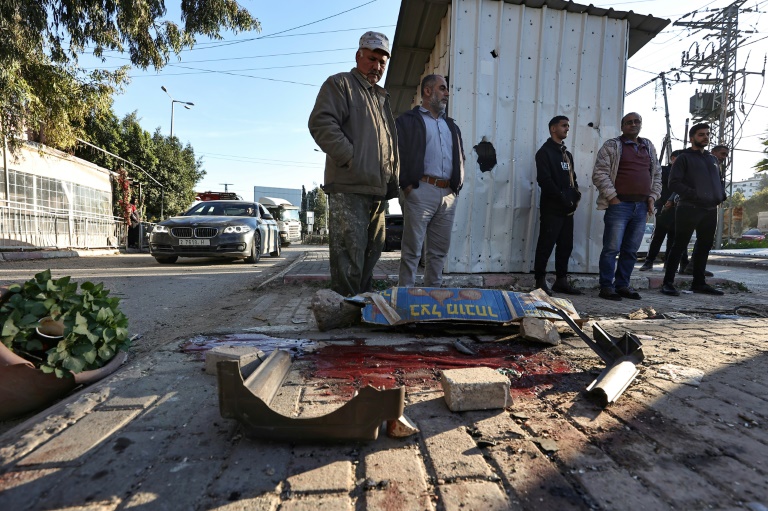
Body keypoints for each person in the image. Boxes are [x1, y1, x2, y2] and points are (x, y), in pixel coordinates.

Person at [308, 31, 399, 297]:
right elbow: (321, 123)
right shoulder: (340, 85)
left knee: (372, 252)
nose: (377, 67)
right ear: (359, 56)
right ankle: (345, 310)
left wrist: (391, 177)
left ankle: (361, 307)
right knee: (349, 253)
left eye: (382, 62)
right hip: (349, 186)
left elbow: (386, 144)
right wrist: (350, 158)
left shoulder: (380, 97)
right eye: (372, 59)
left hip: (377, 189)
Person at [396, 75, 465, 288]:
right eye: (442, 88)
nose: (447, 93)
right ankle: (405, 298)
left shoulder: (451, 126)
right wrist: (407, 186)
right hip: (420, 190)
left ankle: (433, 298)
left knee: (438, 253)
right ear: (428, 91)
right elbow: (397, 155)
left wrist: (457, 186)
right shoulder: (407, 121)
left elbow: (460, 157)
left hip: (447, 195)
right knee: (412, 251)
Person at [592, 112, 662, 301]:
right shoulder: (612, 146)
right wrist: (613, 198)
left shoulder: (648, 146)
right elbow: (599, 173)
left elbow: (656, 175)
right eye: (629, 122)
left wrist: (652, 197)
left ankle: (623, 285)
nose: (633, 124)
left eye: (637, 121)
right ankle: (606, 286)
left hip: (641, 208)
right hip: (619, 206)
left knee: (631, 250)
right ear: (622, 126)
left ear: (641, 124)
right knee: (611, 248)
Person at [661, 123, 726, 296]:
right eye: (701, 134)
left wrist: (721, 194)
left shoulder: (712, 159)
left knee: (704, 246)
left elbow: (718, 181)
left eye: (707, 134)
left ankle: (699, 283)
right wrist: (694, 194)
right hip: (689, 207)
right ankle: (667, 283)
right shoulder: (684, 158)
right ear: (692, 138)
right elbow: (673, 183)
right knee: (679, 245)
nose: (705, 137)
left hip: (710, 209)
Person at [532, 115, 582, 296]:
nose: (567, 128)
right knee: (546, 244)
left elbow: (572, 179)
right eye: (564, 126)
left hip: (568, 209)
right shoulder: (544, 152)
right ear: (553, 129)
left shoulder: (566, 154)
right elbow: (544, 180)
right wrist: (562, 198)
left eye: (568, 126)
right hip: (552, 208)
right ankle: (539, 281)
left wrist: (576, 197)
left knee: (565, 245)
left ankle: (561, 281)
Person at [638, 150, 689, 272]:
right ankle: (649, 261)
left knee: (674, 237)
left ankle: (668, 263)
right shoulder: (664, 171)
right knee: (658, 236)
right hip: (664, 208)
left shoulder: (686, 173)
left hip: (679, 209)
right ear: (672, 159)